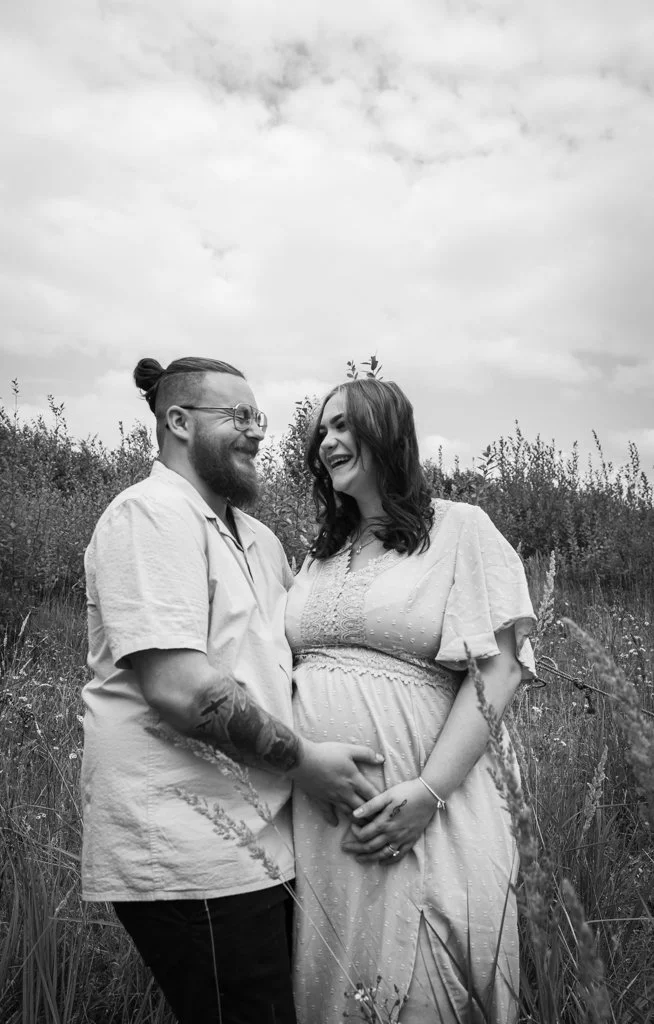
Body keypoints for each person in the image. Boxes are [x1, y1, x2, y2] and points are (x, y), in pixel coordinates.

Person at [81, 356, 383, 1024]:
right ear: (179, 423)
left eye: (260, 419)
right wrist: (307, 762)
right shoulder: (150, 516)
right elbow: (182, 689)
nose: (256, 431)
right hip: (193, 852)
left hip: (266, 842)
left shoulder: (259, 540)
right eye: (238, 416)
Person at [285, 378, 536, 1024]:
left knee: (425, 988)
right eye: (322, 431)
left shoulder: (459, 528)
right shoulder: (319, 555)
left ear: (386, 432)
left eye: (343, 426)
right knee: (339, 987)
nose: (327, 442)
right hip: (326, 827)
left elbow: (501, 668)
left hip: (430, 814)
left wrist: (426, 793)